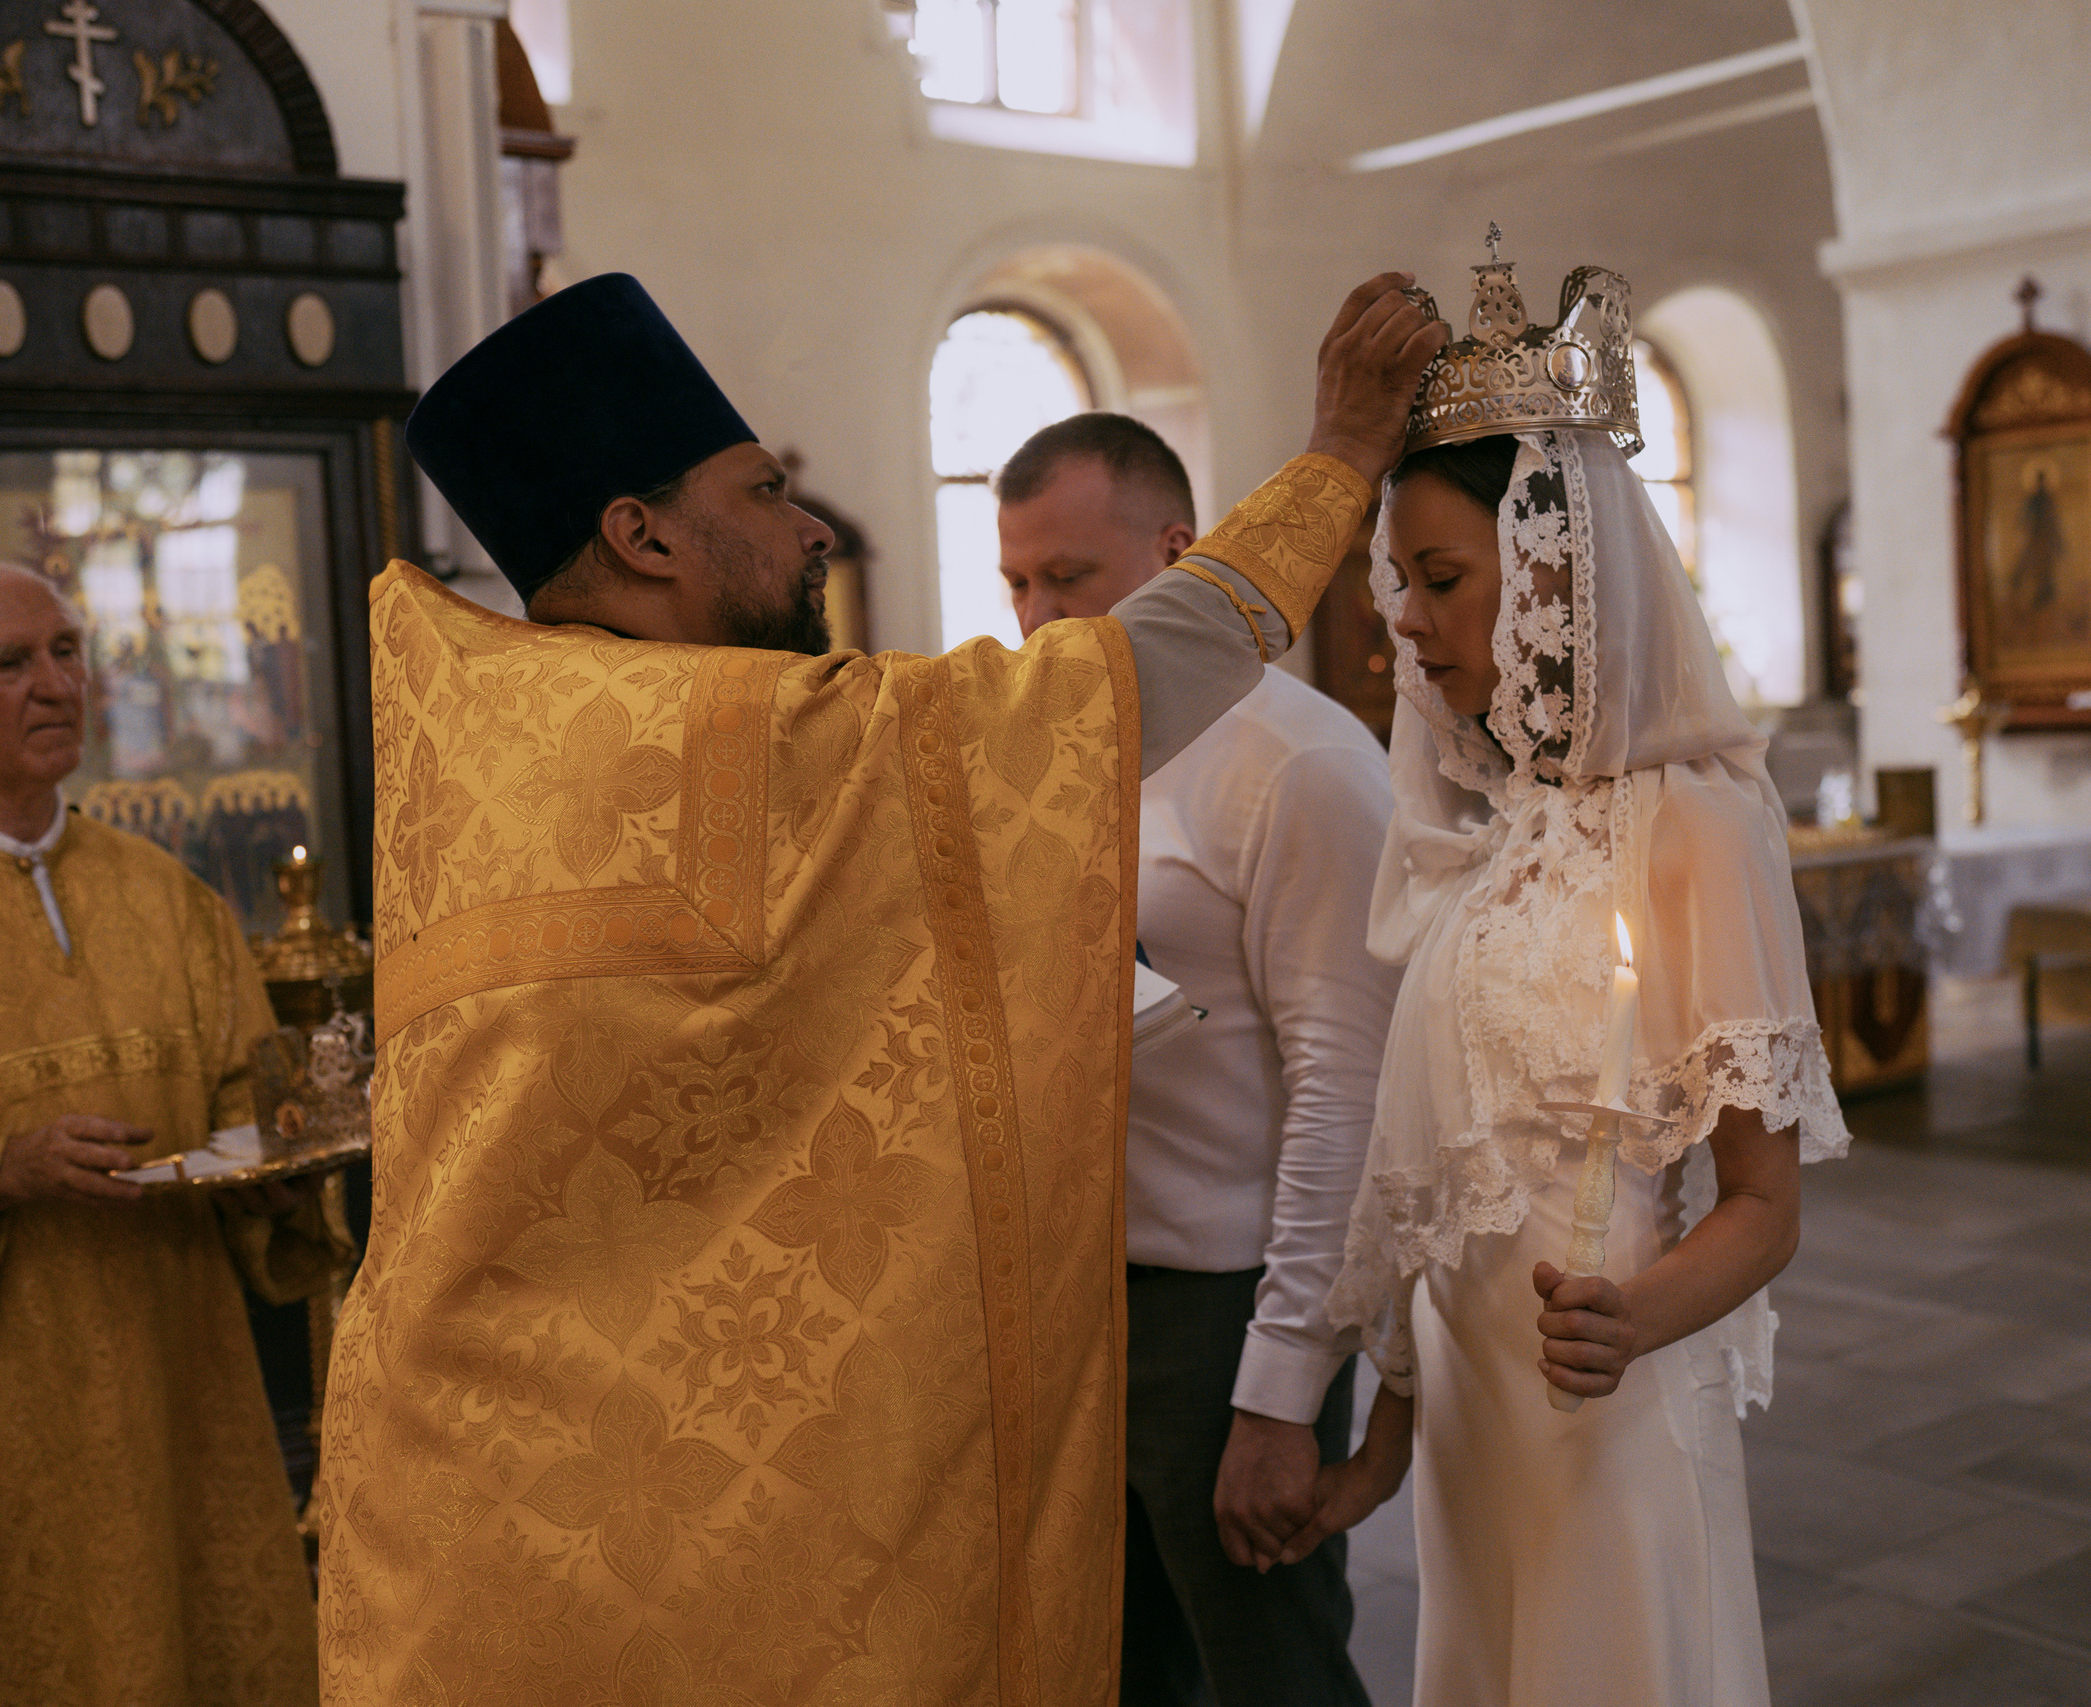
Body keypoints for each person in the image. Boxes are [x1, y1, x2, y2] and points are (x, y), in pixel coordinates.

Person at [316, 272, 1446, 1705]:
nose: (807, 532)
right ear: (641, 532)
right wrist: (1341, 454)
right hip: (663, 1502)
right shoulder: (735, 731)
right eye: (767, 488)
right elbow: (1102, 693)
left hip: (463, 1480)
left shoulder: (489, 736)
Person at [1300, 420, 1851, 1703]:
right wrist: (1388, 1432)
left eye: (1442, 582)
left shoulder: (1694, 830)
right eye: (1398, 590)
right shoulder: (1481, 839)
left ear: (1551, 574)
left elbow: (1764, 1206)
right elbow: (1433, 1174)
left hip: (1604, 1404)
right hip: (1471, 1420)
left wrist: (1632, 1320)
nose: (1409, 628)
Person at [0, 560, 350, 1707]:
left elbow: (250, 1111)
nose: (55, 683)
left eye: (67, 652)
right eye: (10, 662)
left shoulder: (167, 895)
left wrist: (267, 1174)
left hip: (187, 1407)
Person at [995, 413, 1396, 1707]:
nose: (1037, 617)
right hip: (1074, 1295)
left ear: (1180, 550)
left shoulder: (1303, 762)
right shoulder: (1047, 751)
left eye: (1070, 577)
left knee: (1271, 1674)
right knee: (1112, 1672)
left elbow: (1348, 1088)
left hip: (1223, 1304)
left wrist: (1282, 1393)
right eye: (1017, 580)